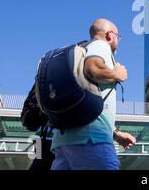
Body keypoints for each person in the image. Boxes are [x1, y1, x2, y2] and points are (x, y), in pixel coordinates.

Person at [50, 18, 136, 170]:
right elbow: (93, 70)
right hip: (91, 140)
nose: (118, 41)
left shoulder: (81, 49)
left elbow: (88, 102)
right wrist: (117, 73)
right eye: (118, 36)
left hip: (63, 143)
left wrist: (116, 134)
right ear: (110, 35)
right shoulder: (101, 45)